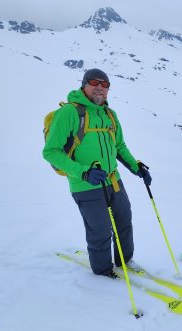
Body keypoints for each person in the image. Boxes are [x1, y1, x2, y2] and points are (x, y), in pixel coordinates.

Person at [43, 68, 152, 277]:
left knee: (123, 222)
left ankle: (125, 262)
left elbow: (119, 146)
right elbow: (51, 152)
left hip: (114, 181)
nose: (100, 87)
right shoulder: (70, 113)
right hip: (85, 184)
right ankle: (103, 273)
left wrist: (135, 166)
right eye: (95, 82)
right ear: (84, 85)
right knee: (100, 230)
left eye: (105, 84)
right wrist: (84, 172)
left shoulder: (110, 114)